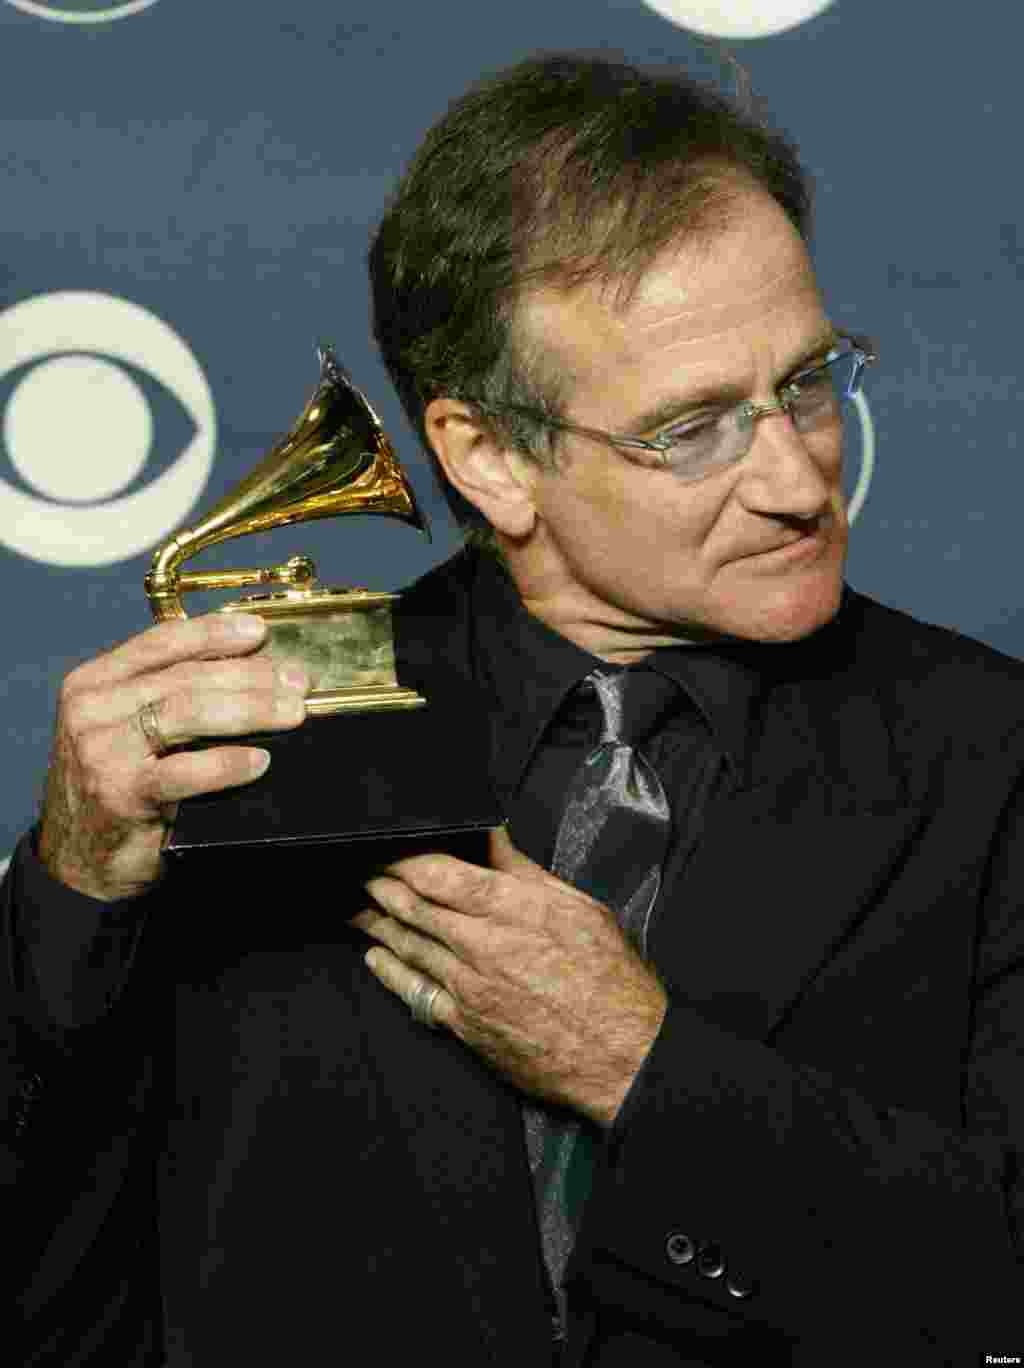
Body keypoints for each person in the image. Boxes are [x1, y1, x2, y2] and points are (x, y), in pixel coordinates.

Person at [5, 52, 1023, 1367]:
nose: (796, 477)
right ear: (489, 458)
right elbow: (52, 1280)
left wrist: (640, 1065)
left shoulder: (990, 749)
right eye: (692, 426)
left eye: (808, 384)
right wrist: (74, 889)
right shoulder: (263, 733)